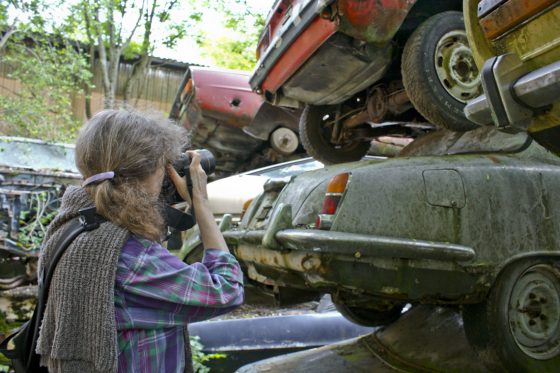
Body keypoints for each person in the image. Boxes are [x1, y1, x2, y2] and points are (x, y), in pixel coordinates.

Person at [36, 110, 244, 373]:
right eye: (164, 165)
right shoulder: (130, 258)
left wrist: (153, 209)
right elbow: (226, 290)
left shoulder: (71, 225)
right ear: (147, 172)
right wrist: (200, 203)